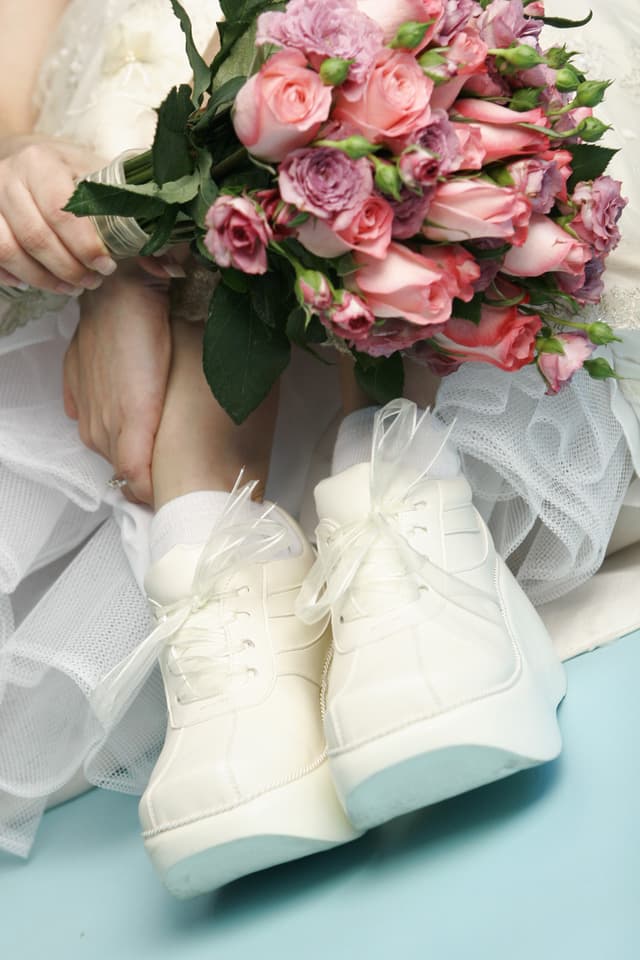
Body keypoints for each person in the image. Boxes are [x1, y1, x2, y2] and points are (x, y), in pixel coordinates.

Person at [0, 0, 638, 898]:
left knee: (341, 36)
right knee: (254, 100)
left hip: (464, 318)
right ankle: (239, 581)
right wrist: (88, 235)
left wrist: (138, 245)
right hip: (144, 336)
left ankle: (387, 509)